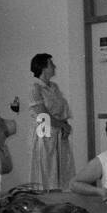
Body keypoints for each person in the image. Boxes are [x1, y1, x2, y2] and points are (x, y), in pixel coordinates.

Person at [28, 53, 75, 191]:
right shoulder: (35, 88)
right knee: (46, 170)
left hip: (59, 134)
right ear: (43, 67)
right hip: (44, 133)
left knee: (62, 171)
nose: (54, 67)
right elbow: (43, 115)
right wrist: (63, 126)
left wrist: (65, 125)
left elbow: (62, 108)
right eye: (51, 64)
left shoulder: (54, 87)